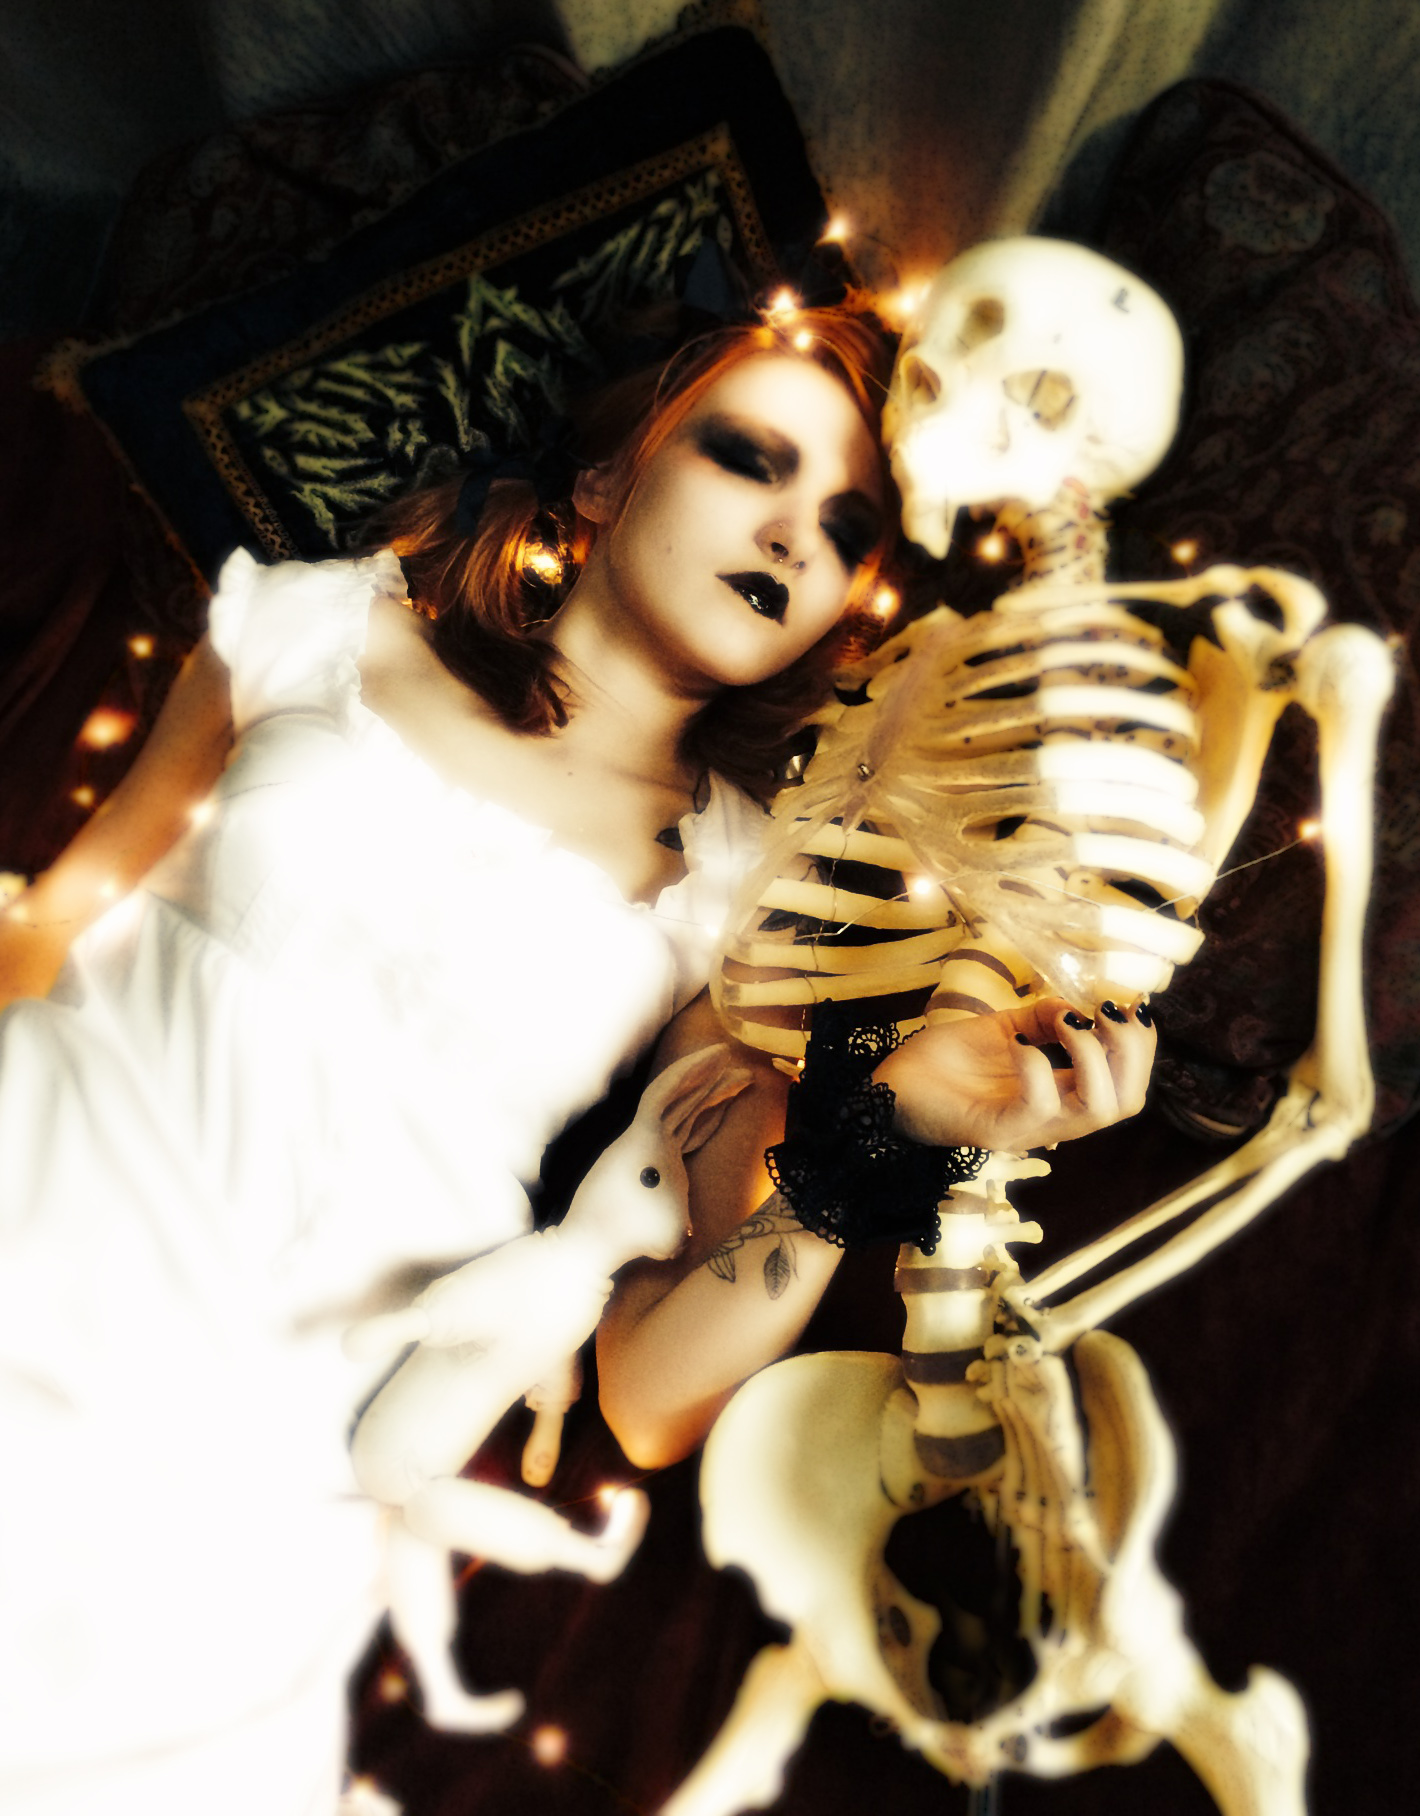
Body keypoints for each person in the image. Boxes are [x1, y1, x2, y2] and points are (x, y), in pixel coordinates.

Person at [0, 303, 1151, 1816]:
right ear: (604, 479)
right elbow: (61, 917)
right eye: (751, 460)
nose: (794, 537)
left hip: (252, 1440)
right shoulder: (320, 622)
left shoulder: (744, 897)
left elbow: (651, 1396)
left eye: (845, 530)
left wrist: (899, 1136)